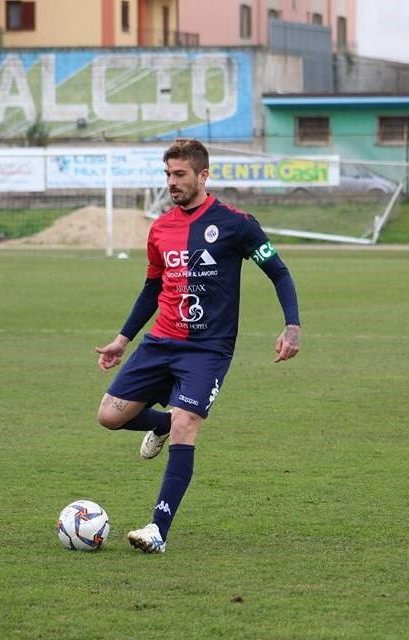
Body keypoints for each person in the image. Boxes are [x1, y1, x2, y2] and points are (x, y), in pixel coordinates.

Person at [94, 138, 301, 554]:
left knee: (187, 423)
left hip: (207, 350)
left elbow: (278, 272)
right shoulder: (160, 228)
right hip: (160, 342)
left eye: (180, 174)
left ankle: (158, 530)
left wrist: (291, 325)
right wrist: (123, 339)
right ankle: (161, 424)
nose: (172, 182)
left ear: (203, 175)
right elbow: (152, 288)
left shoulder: (237, 223)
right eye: (167, 174)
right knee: (109, 416)